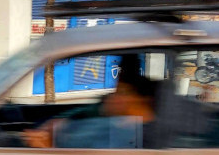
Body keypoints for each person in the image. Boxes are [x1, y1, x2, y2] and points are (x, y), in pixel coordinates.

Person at [23, 59, 158, 149]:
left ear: (141, 100)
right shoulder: (110, 118)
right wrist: (60, 124)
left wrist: (50, 147)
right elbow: (82, 114)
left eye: (123, 92)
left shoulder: (135, 134)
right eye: (117, 91)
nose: (113, 97)